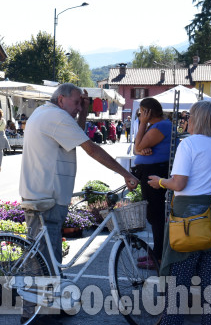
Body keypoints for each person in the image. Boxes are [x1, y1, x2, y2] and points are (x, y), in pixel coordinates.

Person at [19, 83, 139, 276]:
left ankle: (48, 300)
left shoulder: (45, 112)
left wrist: (82, 113)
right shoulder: (57, 117)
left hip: (41, 193)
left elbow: (75, 134)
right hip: (48, 196)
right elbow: (91, 148)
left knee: (44, 255)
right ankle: (38, 303)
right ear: (61, 99)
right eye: (76, 103)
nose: (78, 107)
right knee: (45, 261)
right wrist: (126, 173)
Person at [147, 101, 211, 324]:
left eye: (190, 117)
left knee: (179, 283)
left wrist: (160, 182)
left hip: (187, 221)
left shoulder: (188, 145)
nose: (186, 121)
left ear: (199, 120)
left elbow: (179, 184)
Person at [132, 97, 172, 268]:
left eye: (141, 111)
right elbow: (139, 147)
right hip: (152, 169)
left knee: (155, 214)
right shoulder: (158, 126)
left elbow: (137, 146)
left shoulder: (160, 126)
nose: (140, 114)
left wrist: (142, 124)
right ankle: (157, 253)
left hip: (154, 171)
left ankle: (159, 257)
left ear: (146, 111)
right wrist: (142, 147)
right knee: (154, 214)